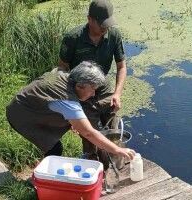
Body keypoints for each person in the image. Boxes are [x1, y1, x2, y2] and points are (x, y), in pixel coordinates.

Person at [6, 61, 135, 166]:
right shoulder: (68, 101)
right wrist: (118, 150)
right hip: (20, 115)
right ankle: (43, 179)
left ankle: (46, 172)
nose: (94, 94)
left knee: (57, 142)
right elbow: (89, 133)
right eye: (93, 89)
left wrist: (73, 122)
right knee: (55, 149)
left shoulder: (65, 76)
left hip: (28, 106)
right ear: (80, 86)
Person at [58, 0, 127, 168]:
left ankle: (114, 159)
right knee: (89, 132)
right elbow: (62, 69)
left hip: (102, 88)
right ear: (90, 19)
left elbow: (121, 66)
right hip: (81, 91)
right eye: (102, 24)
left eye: (108, 23)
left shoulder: (114, 35)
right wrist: (72, 103)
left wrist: (117, 93)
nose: (106, 28)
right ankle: (92, 161)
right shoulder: (73, 38)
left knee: (113, 125)